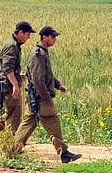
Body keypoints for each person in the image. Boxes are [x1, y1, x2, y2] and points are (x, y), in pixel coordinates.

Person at [13, 25, 81, 163]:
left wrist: (57, 85)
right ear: (44, 37)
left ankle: (14, 149)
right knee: (52, 122)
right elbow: (38, 79)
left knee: (28, 123)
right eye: (53, 36)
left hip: (37, 97)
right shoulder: (39, 54)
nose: (55, 39)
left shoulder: (42, 52)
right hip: (40, 97)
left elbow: (46, 75)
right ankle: (64, 154)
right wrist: (46, 97)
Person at [0, 20, 36, 144]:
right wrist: (15, 85)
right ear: (20, 32)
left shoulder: (13, 44)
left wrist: (17, 76)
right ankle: (12, 146)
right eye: (27, 34)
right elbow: (7, 67)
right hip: (9, 87)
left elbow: (9, 68)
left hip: (7, 85)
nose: (29, 38)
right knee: (14, 118)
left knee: (10, 114)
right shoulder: (12, 46)